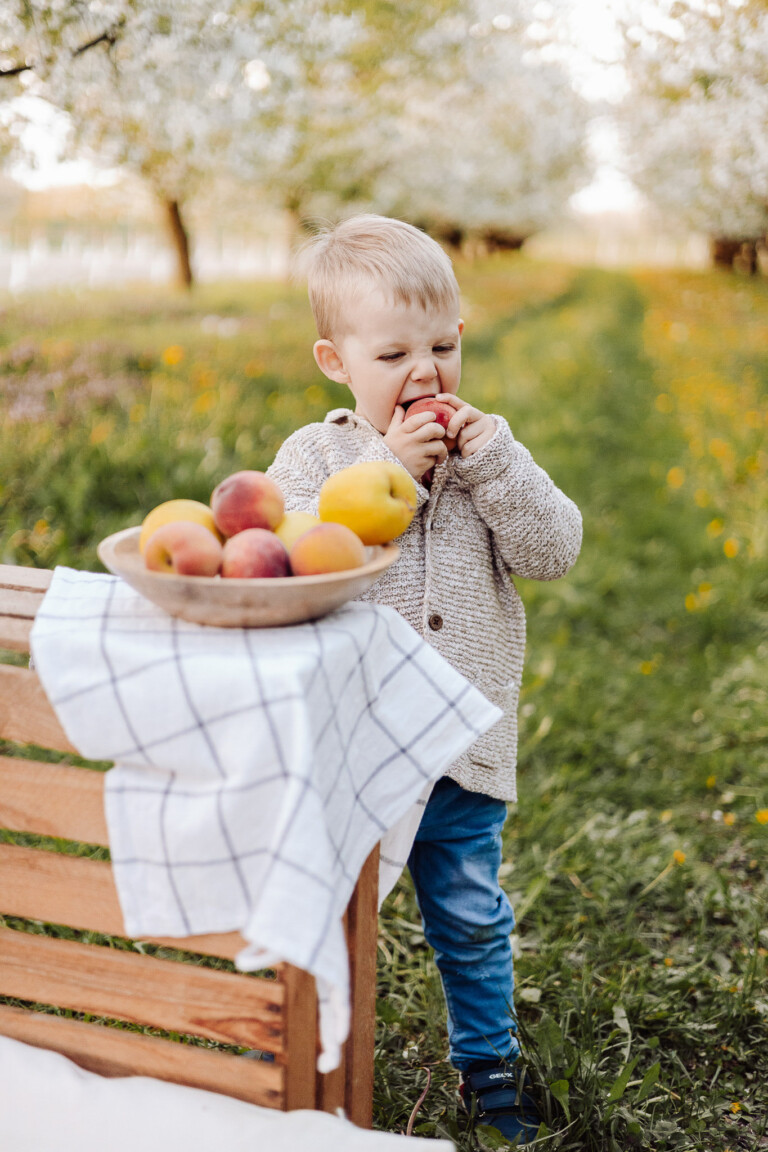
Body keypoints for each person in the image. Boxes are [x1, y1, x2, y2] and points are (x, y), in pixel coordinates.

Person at [267, 214, 582, 1145]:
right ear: (336, 360)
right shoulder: (320, 457)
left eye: (443, 346)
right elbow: (289, 549)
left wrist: (493, 462)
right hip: (352, 749)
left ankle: (489, 1068)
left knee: (471, 916)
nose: (426, 372)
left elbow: (554, 549)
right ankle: (311, 1060)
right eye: (395, 351)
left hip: (459, 752)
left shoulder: (487, 457)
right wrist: (380, 475)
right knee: (330, 916)